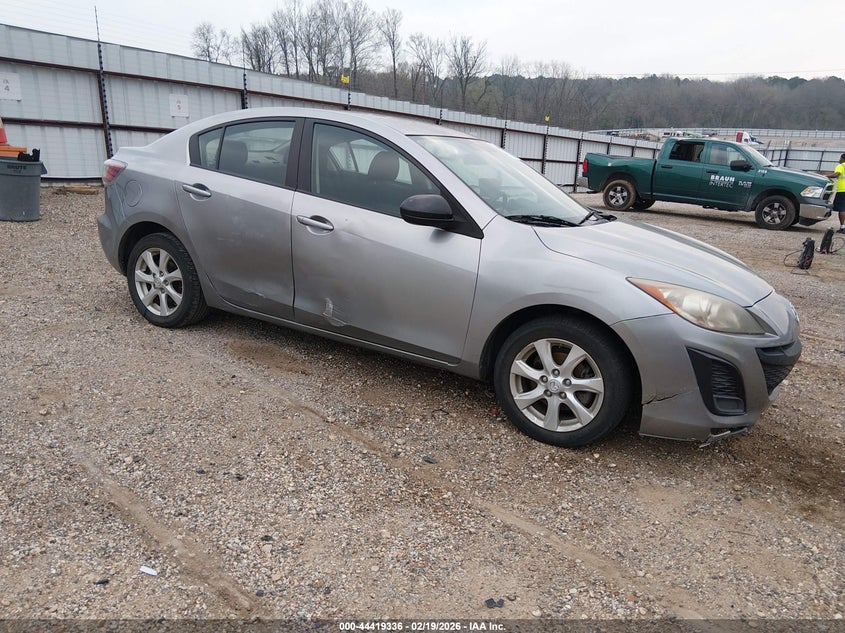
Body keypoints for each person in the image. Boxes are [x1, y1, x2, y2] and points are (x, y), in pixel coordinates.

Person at [828, 153, 845, 233]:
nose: (839, 159)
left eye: (840, 158)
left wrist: (825, 176)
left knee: (842, 209)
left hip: (842, 190)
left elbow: (836, 175)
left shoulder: (841, 166)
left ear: (843, 158)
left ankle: (842, 227)